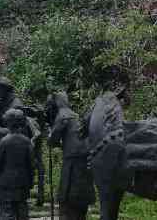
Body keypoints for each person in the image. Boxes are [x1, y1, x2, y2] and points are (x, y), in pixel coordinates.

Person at [47, 92, 95, 220]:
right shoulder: (75, 115)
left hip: (72, 163)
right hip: (85, 161)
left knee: (67, 200)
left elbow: (52, 140)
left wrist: (49, 134)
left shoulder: (62, 116)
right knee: (80, 202)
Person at [0, 109, 34, 220]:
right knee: (22, 210)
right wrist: (30, 181)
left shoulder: (5, 141)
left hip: (6, 183)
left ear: (9, 122)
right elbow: (31, 164)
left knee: (7, 212)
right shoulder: (27, 141)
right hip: (23, 182)